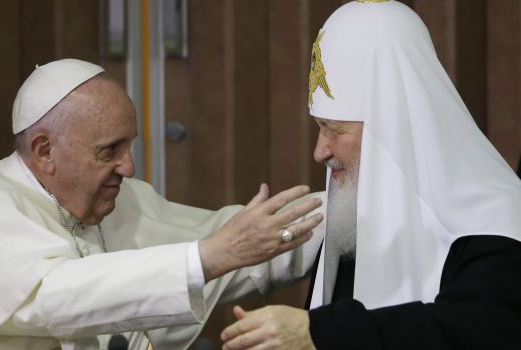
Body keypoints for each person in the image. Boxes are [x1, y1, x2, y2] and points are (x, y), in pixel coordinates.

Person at [0, 59, 325, 350]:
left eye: (130, 146)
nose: (130, 167)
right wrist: (211, 255)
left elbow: (233, 245)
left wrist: (349, 208)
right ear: (45, 151)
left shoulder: (124, 199)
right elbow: (55, 295)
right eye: (110, 150)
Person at [220, 1, 521, 349]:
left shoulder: (497, 226)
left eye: (334, 130)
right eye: (319, 128)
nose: (320, 152)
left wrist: (320, 333)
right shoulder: (355, 214)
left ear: (390, 128)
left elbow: (474, 332)